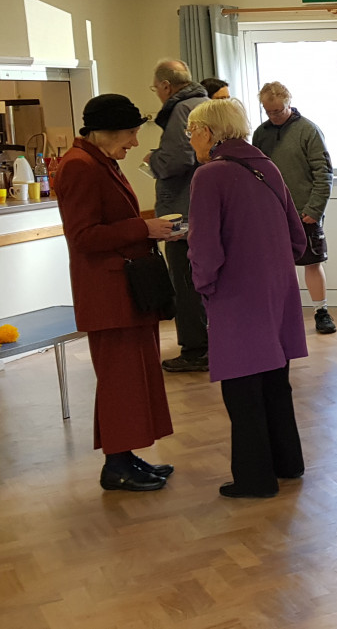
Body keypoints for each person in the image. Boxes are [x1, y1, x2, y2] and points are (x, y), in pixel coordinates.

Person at [54, 94, 179, 492]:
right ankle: (117, 466)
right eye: (130, 134)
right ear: (106, 131)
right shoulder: (79, 166)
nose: (134, 144)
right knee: (119, 379)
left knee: (133, 376)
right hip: (107, 290)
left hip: (124, 287)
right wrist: (145, 229)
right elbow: (83, 236)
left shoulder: (98, 161)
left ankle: (126, 456)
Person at [186, 98, 309, 498]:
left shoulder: (210, 176)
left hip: (237, 292)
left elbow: (204, 248)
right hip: (277, 287)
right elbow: (297, 237)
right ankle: (287, 463)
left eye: (192, 132)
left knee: (242, 389)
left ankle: (255, 478)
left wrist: (203, 287)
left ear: (208, 132)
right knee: (275, 380)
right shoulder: (266, 166)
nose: (191, 140)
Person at [251, 81, 337, 335]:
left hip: (305, 210)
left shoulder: (308, 130)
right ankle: (282, 313)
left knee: (312, 262)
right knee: (277, 266)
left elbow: (323, 172)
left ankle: (321, 311)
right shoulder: (260, 133)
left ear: (289, 103)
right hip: (272, 211)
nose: (274, 116)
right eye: (268, 112)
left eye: (278, 110)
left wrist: (315, 208)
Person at [144, 59, 211, 372]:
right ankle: (211, 343)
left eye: (156, 88)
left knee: (184, 282)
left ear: (166, 86)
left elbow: (176, 160)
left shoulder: (180, 110)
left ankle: (196, 349)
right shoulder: (206, 104)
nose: (157, 93)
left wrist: (153, 159)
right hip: (206, 208)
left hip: (182, 212)